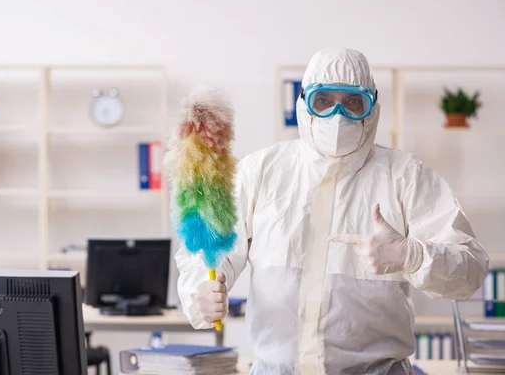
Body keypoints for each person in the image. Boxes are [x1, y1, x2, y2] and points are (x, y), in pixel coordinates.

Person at [174, 47, 489, 374]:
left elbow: (471, 269)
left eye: (354, 103)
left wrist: (414, 255)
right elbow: (206, 251)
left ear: (372, 108)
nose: (338, 117)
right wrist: (201, 290)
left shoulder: (406, 177)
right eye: (323, 101)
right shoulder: (261, 171)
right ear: (303, 104)